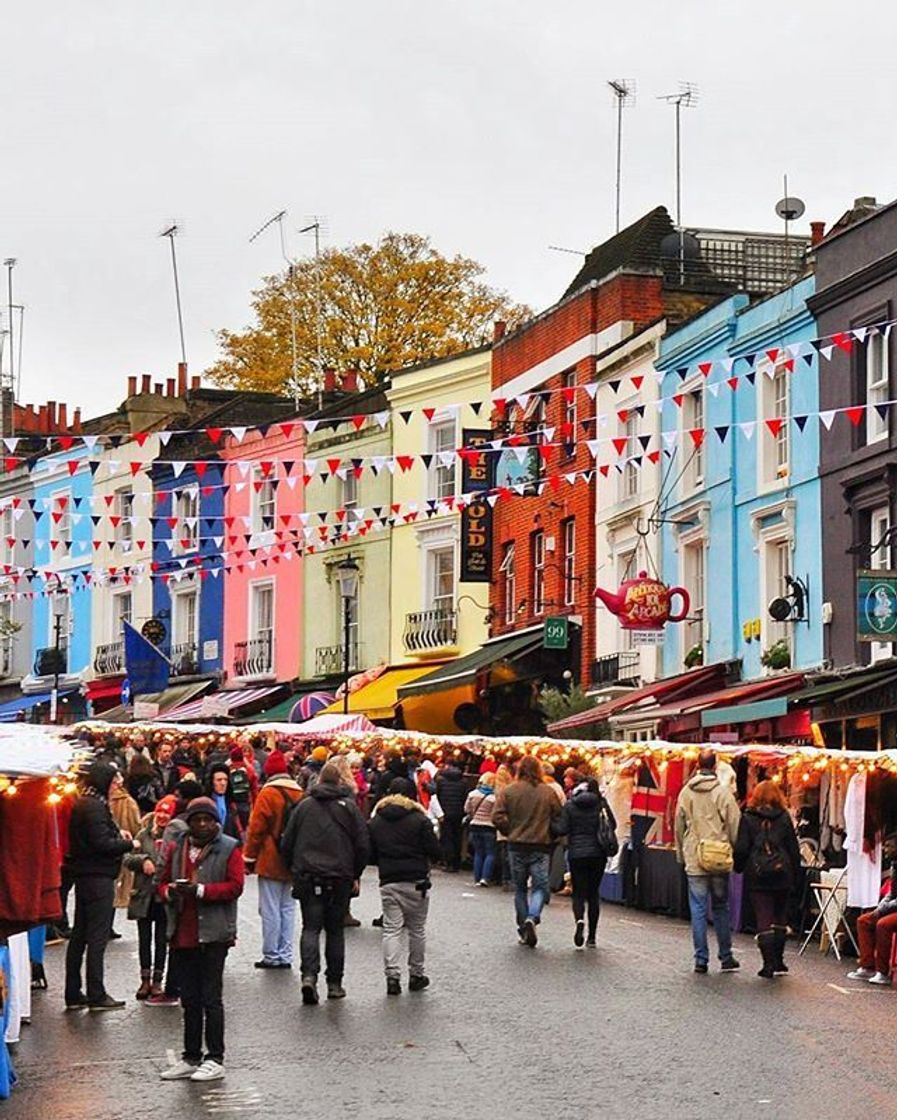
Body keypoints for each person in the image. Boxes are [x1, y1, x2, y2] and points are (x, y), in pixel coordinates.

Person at [157, 797, 245, 1082]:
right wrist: (170, 891)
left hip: (214, 933)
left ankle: (215, 1057)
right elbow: (160, 881)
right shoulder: (177, 846)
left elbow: (235, 886)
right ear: (190, 822)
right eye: (197, 820)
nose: (203, 825)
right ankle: (191, 1056)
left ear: (215, 822)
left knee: (211, 997)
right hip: (183, 932)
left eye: (208, 820)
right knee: (190, 998)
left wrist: (201, 891)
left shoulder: (229, 848)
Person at [281, 760, 369, 1005]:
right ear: (339, 781)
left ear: (319, 781)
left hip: (309, 875)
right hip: (339, 876)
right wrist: (355, 874)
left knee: (310, 928)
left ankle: (308, 976)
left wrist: (294, 868)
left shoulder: (304, 806)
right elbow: (363, 844)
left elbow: (287, 842)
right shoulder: (349, 808)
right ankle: (334, 983)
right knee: (334, 930)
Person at [63, 762, 136, 1011]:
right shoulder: (94, 806)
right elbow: (101, 843)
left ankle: (73, 992)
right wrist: (128, 844)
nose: (116, 785)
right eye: (114, 780)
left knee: (80, 936)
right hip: (97, 877)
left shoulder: (86, 802)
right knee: (96, 938)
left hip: (86, 876)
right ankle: (96, 993)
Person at [368, 777, 441, 995]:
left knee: (391, 929)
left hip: (389, 879)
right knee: (416, 929)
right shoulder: (420, 820)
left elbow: (370, 853)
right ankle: (416, 974)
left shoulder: (377, 821)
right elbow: (435, 851)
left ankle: (392, 976)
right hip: (417, 880)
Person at [674, 749, 742, 974]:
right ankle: (726, 956)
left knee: (698, 908)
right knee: (721, 906)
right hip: (718, 856)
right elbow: (734, 823)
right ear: (715, 766)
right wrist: (733, 847)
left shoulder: (686, 792)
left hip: (694, 856)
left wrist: (681, 854)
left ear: (697, 764)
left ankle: (701, 959)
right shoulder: (722, 793)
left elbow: (679, 824)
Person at [734, 779, 801, 979]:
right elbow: (793, 847)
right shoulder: (783, 817)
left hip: (758, 874)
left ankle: (768, 964)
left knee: (763, 917)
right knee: (780, 915)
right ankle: (779, 960)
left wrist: (739, 867)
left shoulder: (747, 817)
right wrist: (795, 872)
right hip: (782, 873)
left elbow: (741, 848)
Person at [493, 755, 562, 947]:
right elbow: (559, 816)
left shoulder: (509, 791)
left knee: (520, 888)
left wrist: (510, 830)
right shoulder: (548, 792)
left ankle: (524, 926)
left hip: (516, 844)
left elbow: (497, 816)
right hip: (541, 845)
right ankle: (533, 916)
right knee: (540, 886)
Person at [243, 751, 303, 970]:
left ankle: (271, 954)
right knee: (288, 908)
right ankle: (286, 954)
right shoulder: (300, 793)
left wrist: (249, 857)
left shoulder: (268, 794)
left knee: (269, 908)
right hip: (293, 858)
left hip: (271, 857)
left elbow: (257, 829)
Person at [124, 795, 179, 1003]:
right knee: (144, 939)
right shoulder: (143, 834)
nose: (163, 816)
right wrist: (143, 860)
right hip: (144, 895)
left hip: (163, 897)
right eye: (160, 812)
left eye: (167, 813)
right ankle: (144, 979)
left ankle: (157, 980)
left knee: (161, 939)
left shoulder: (174, 838)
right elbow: (128, 858)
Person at [552, 777, 616, 948]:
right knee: (593, 893)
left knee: (578, 892)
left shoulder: (571, 805)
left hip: (577, 854)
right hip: (598, 853)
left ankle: (580, 920)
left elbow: (562, 829)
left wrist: (552, 824)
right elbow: (613, 824)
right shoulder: (601, 804)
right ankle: (592, 937)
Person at [847, 834, 897, 986]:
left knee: (883, 924)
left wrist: (883, 909)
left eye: (889, 846)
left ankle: (883, 971)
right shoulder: (894, 864)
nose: (885, 849)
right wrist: (882, 906)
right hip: (892, 906)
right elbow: (892, 892)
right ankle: (867, 965)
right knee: (864, 921)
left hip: (894, 908)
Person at [109, 770, 142, 938]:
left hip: (106, 851)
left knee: (110, 886)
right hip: (123, 848)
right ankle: (108, 925)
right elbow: (137, 825)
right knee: (117, 885)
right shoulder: (128, 802)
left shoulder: (101, 800)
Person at [464, 772, 497, 887]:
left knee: (478, 852)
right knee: (490, 853)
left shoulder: (473, 794)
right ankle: (485, 878)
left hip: (475, 825)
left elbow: (467, 809)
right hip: (489, 827)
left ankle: (477, 877)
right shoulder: (494, 798)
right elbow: (495, 814)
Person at [434, 758, 467, 872]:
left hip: (445, 812)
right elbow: (464, 797)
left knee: (446, 837)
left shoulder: (441, 780)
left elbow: (437, 795)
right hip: (458, 813)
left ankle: (448, 862)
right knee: (457, 837)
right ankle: (456, 862)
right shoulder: (463, 781)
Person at [205, 766, 245, 844]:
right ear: (212, 782)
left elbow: (238, 828)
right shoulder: (206, 803)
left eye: (225, 780)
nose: (223, 783)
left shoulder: (231, 804)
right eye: (219, 780)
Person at [226, 747, 257, 827]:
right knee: (244, 825)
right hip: (245, 802)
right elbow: (254, 790)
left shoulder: (227, 770)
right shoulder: (249, 770)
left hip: (231, 802)